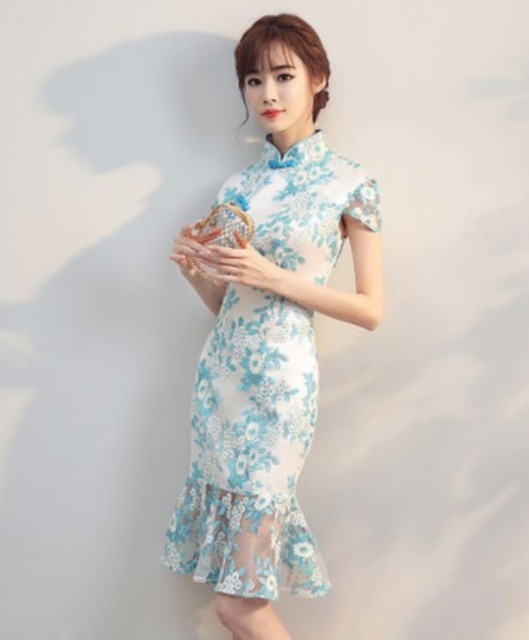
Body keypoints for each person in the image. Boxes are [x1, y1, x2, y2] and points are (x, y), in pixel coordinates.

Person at [161, 12, 384, 640]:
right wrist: (194, 270)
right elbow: (230, 306)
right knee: (230, 599)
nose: (268, 94)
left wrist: (274, 276)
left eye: (284, 76)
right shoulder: (238, 187)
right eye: (253, 80)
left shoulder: (350, 183)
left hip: (281, 391)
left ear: (318, 79)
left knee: (238, 606)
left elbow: (371, 309)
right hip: (220, 386)